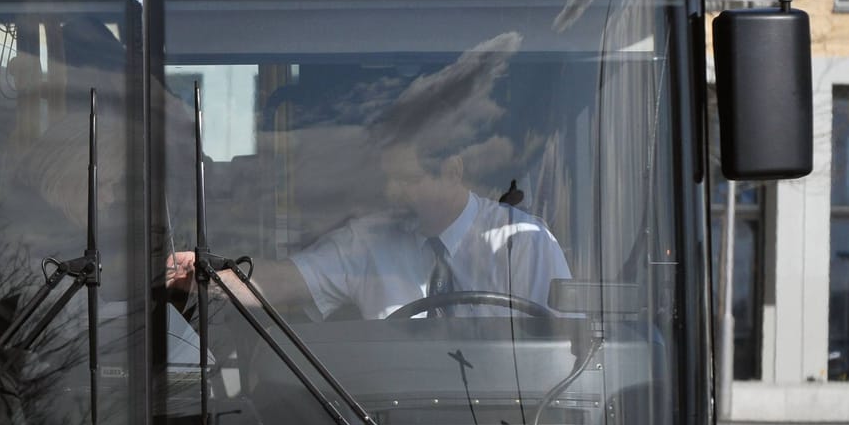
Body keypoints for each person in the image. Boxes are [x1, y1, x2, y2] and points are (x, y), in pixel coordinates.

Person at [166, 112, 570, 322]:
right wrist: (206, 276)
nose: (393, 193)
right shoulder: (367, 242)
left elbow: (566, 347)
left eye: (407, 181)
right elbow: (280, 282)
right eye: (389, 181)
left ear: (452, 171)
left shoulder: (524, 243)